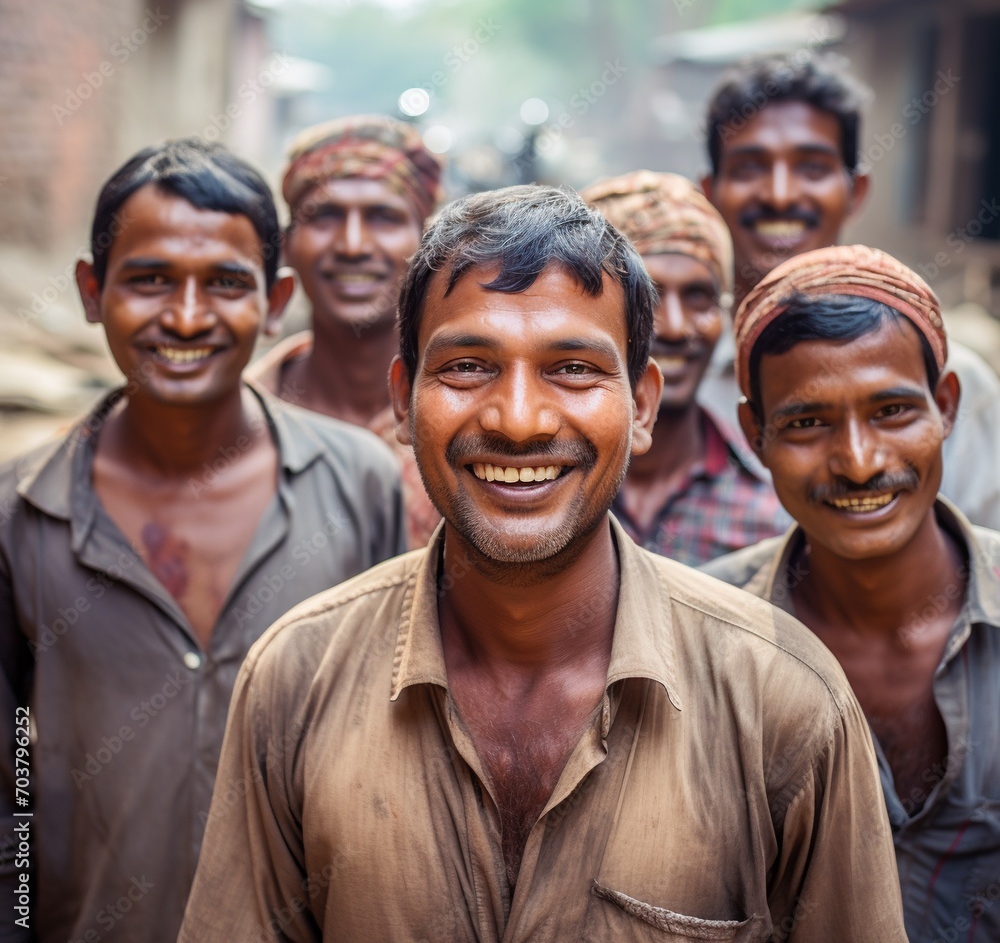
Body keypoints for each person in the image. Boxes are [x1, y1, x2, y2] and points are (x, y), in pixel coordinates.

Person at [179, 185, 906, 942]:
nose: (519, 421)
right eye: (467, 366)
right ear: (403, 401)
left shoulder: (784, 701)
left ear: (642, 406)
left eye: (573, 369)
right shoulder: (295, 680)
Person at [0, 138, 406, 943]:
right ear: (92, 291)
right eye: (150, 280)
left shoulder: (361, 483)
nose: (186, 317)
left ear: (276, 299)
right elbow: (10, 776)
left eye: (224, 283)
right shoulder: (19, 514)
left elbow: (392, 745)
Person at [702, 244, 1000, 942]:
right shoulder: (702, 640)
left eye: (892, 410)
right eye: (807, 423)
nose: (859, 463)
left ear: (946, 407)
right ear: (755, 434)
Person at [699, 51, 1000, 530]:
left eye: (812, 167)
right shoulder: (679, 379)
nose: (780, 194)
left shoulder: (952, 379)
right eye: (750, 168)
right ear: (709, 193)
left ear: (855, 190)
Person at [248, 114, 444, 547]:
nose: (353, 245)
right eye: (324, 216)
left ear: (426, 242)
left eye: (384, 218)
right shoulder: (238, 423)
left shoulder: (465, 419)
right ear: (286, 244)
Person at [582, 170, 789, 564]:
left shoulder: (768, 513)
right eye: (649, 297)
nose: (675, 327)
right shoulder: (540, 483)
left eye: (698, 296)